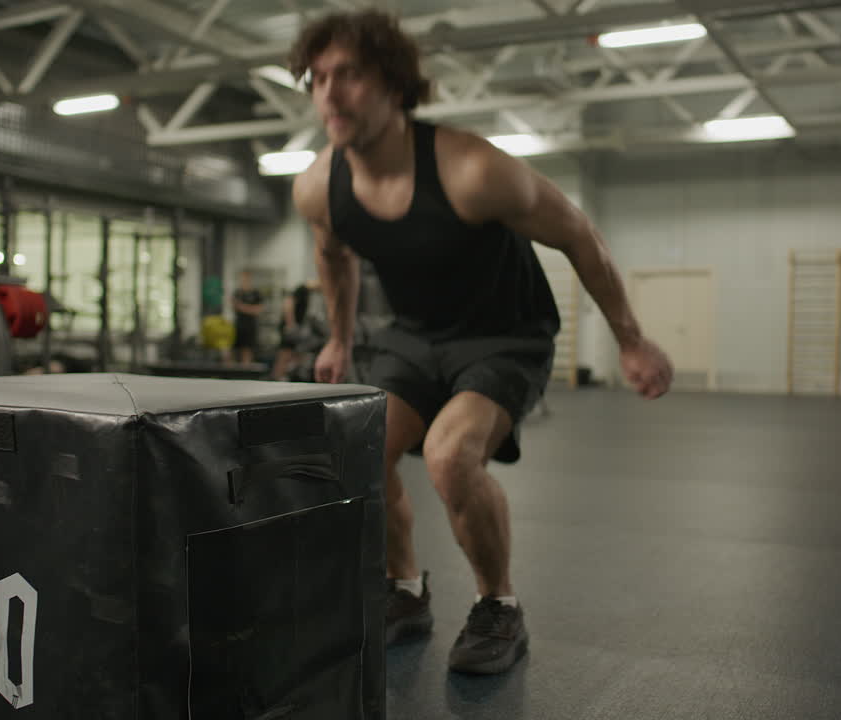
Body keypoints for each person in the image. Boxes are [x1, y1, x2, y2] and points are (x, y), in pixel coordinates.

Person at [288, 10, 673, 675]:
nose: (330, 92)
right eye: (318, 77)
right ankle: (404, 591)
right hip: (414, 338)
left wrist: (630, 341)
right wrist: (340, 337)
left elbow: (577, 233)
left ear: (393, 83)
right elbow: (333, 256)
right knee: (358, 451)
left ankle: (500, 606)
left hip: (504, 335)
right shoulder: (318, 186)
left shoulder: (470, 169)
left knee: (448, 457)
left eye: (348, 74)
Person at [230, 269, 265, 365]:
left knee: (247, 350)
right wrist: (247, 308)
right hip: (238, 325)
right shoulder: (237, 293)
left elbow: (258, 310)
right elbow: (233, 305)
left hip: (250, 325)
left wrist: (243, 307)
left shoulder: (256, 294)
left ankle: (246, 370)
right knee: (234, 350)